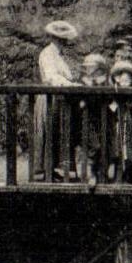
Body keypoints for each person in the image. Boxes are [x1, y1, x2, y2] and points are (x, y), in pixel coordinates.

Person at [33, 20, 79, 179]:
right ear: (53, 38)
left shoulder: (61, 56)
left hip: (62, 100)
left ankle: (62, 171)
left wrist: (72, 85)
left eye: (64, 38)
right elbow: (52, 77)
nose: (63, 41)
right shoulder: (47, 54)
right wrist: (71, 86)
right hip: (50, 98)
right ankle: (44, 172)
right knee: (49, 132)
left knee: (62, 132)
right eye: (60, 38)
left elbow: (66, 76)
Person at [105, 47, 132, 182]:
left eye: (120, 57)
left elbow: (126, 91)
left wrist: (119, 87)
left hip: (123, 112)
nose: (117, 59)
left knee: (124, 140)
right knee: (114, 138)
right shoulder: (114, 77)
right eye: (116, 56)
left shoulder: (126, 76)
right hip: (114, 111)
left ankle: (122, 173)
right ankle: (114, 170)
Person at [75, 53, 108, 185]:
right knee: (94, 145)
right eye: (87, 67)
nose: (88, 69)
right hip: (85, 119)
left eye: (92, 67)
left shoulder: (103, 82)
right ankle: (90, 175)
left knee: (102, 146)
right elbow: (80, 101)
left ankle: (97, 173)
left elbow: (104, 98)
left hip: (99, 119)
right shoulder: (83, 81)